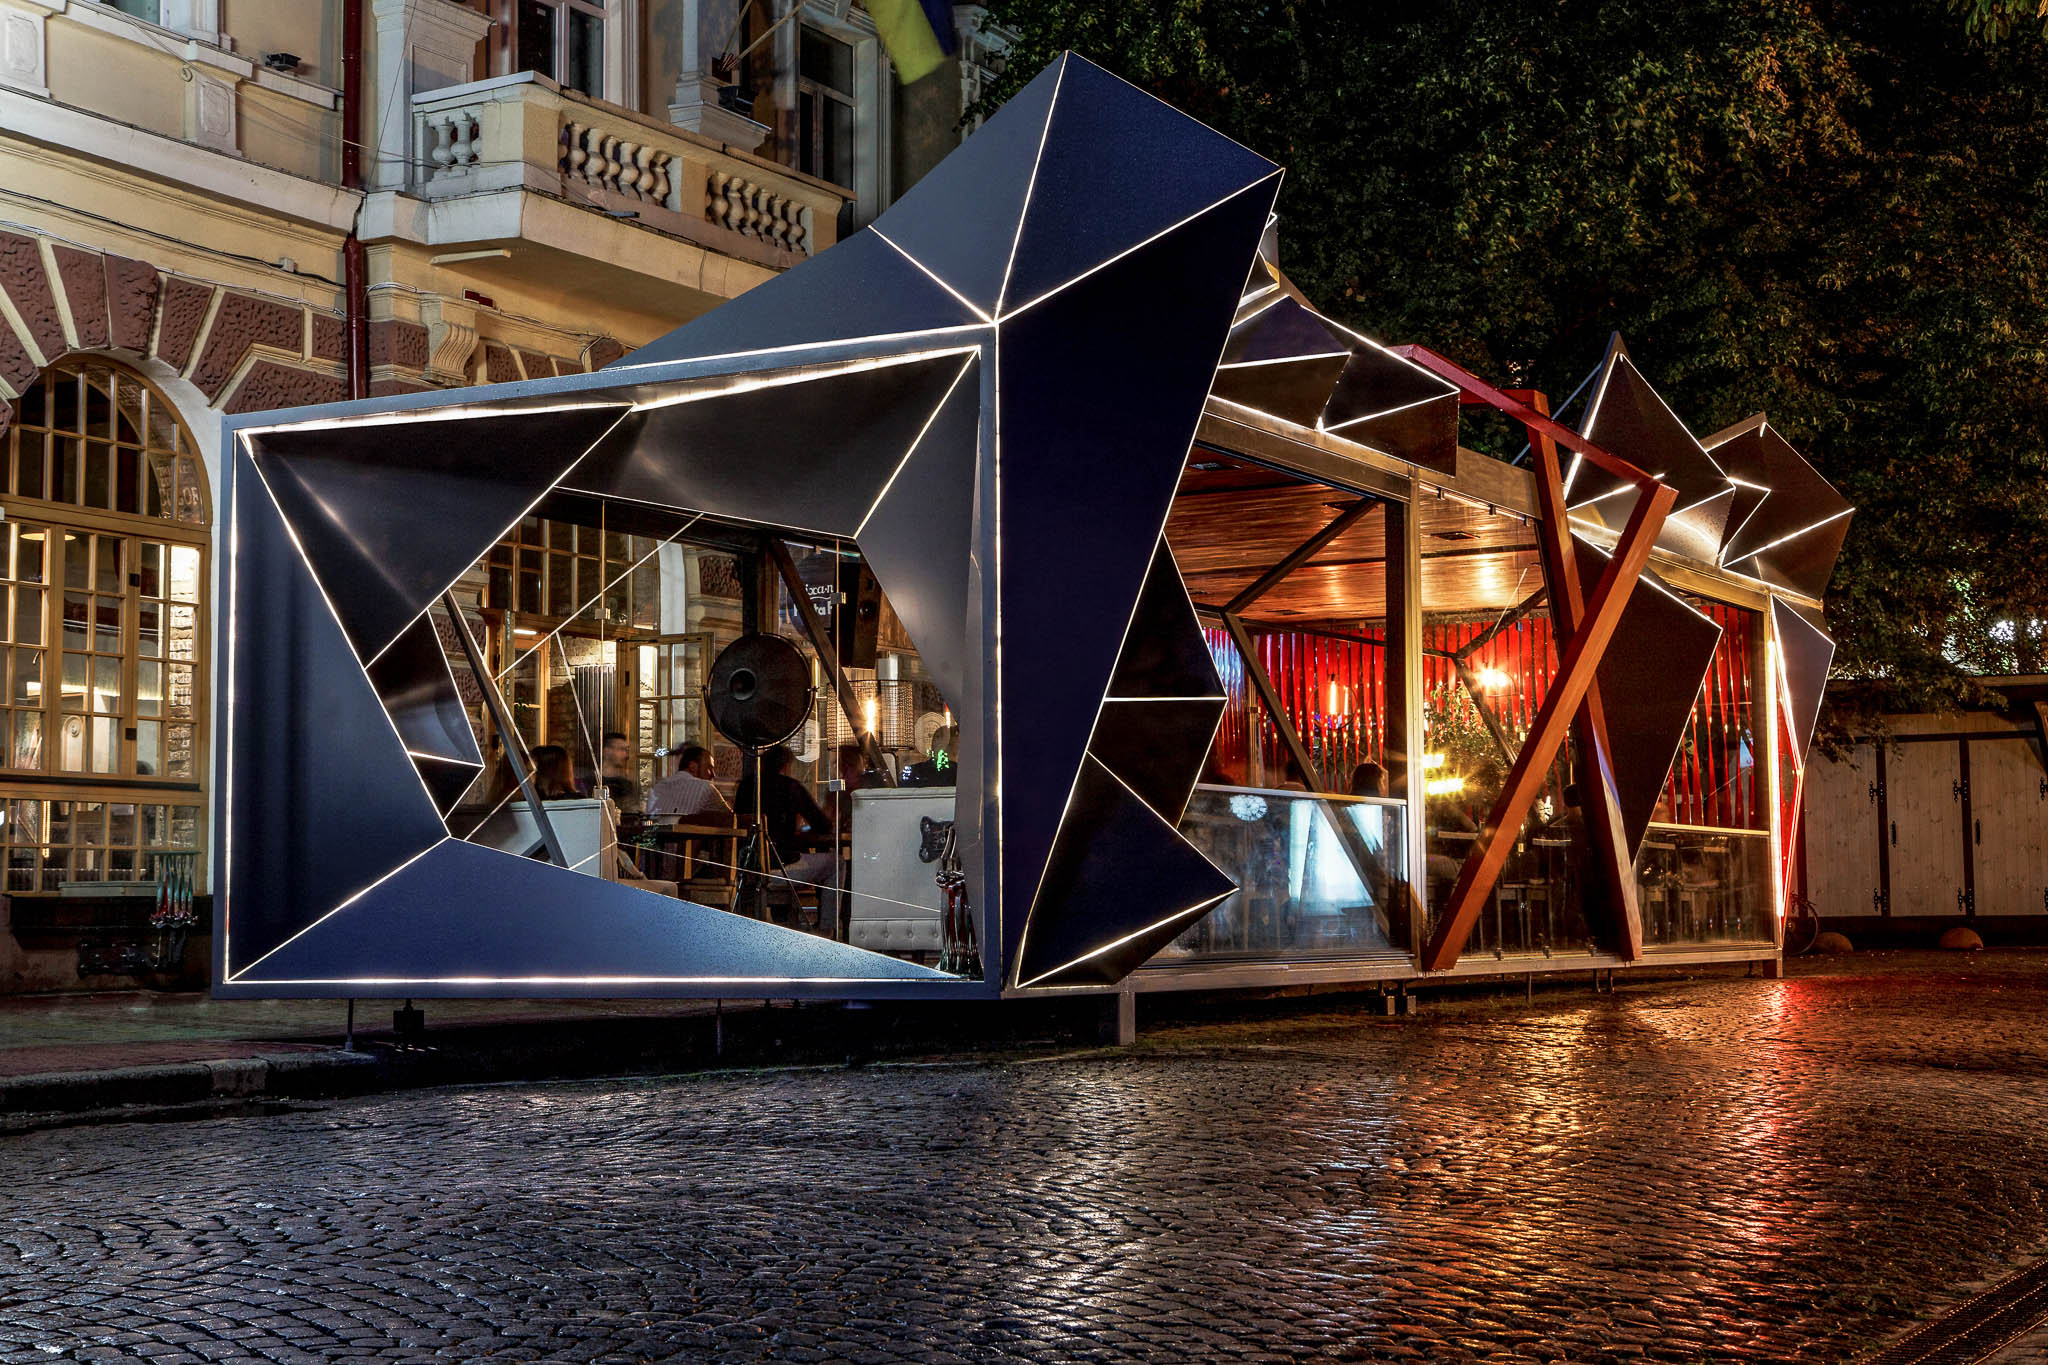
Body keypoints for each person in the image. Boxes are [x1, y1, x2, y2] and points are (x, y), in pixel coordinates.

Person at [734, 744, 842, 937]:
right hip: (780, 868)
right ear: (786, 765)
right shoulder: (790, 787)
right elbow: (822, 826)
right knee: (836, 864)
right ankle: (827, 930)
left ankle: (783, 923)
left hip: (745, 869)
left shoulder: (746, 785)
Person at [647, 745, 729, 820]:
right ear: (692, 766)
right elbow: (730, 819)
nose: (713, 774)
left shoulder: (658, 787)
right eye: (709, 768)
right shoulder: (705, 787)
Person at [599, 731, 642, 814]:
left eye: (626, 750)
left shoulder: (627, 784)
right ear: (607, 751)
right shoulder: (590, 781)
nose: (626, 755)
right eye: (622, 749)